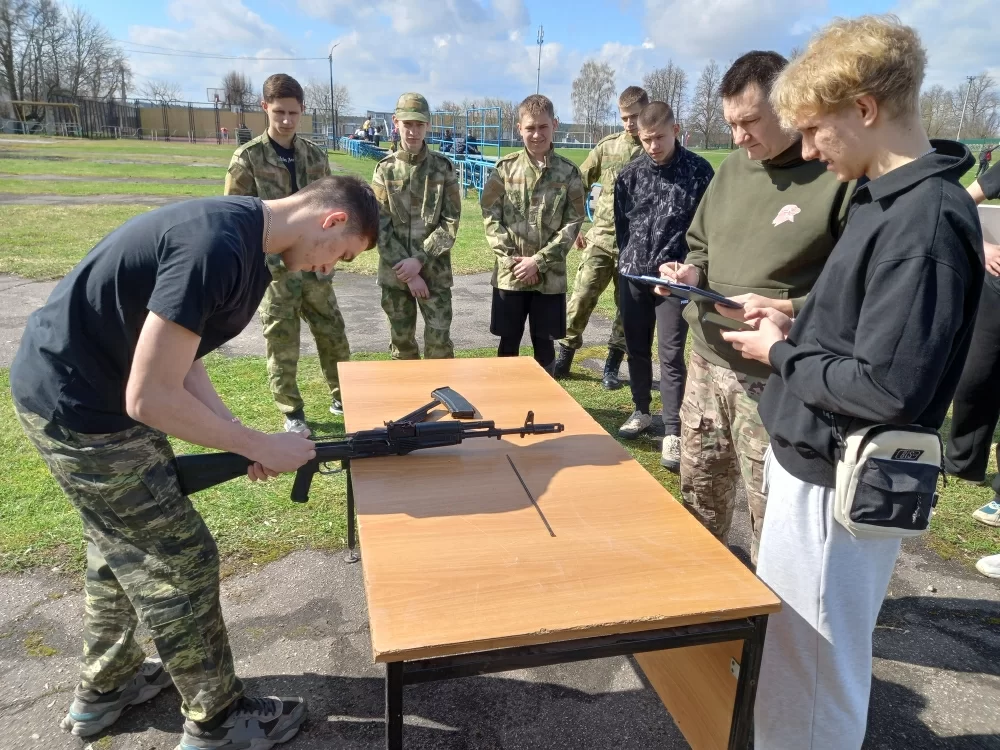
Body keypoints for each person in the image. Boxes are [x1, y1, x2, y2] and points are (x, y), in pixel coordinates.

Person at [10, 177, 379, 749]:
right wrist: (257, 444)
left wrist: (239, 438)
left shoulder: (247, 242)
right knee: (182, 562)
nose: (328, 269)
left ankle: (108, 685)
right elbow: (150, 397)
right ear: (331, 221)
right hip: (83, 409)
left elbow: (182, 357)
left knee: (119, 545)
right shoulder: (217, 247)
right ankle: (218, 720)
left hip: (90, 394)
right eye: (343, 255)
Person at [720, 16, 983, 748]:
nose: (806, 149)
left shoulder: (925, 223)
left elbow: (888, 389)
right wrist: (795, 317)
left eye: (814, 129)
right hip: (814, 462)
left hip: (837, 485)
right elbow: (864, 327)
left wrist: (780, 354)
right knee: (795, 661)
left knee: (814, 676)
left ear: (864, 108)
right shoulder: (884, 198)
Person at [658, 51, 853, 563]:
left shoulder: (836, 174)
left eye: (749, 122)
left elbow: (854, 288)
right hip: (706, 365)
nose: (738, 137)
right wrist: (690, 274)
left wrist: (790, 307)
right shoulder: (733, 170)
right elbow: (701, 244)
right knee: (699, 498)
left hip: (776, 379)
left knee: (776, 516)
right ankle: (706, 593)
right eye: (730, 124)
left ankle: (772, 607)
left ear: (787, 107)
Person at [225, 74, 352, 434]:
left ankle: (344, 395)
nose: (285, 120)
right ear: (264, 107)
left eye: (293, 113)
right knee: (282, 341)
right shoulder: (248, 159)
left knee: (333, 333)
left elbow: (332, 209)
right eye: (278, 112)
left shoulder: (314, 156)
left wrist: (329, 255)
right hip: (274, 272)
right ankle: (292, 410)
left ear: (302, 111)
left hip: (315, 269)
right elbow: (235, 219)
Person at [613, 101, 714, 469]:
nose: (653, 146)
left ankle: (673, 430)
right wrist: (630, 263)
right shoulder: (629, 175)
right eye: (646, 140)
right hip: (634, 276)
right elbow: (622, 227)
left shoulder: (700, 172)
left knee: (670, 355)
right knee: (636, 348)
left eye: (659, 137)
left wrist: (689, 269)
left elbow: (708, 230)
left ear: (676, 130)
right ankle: (641, 410)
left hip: (674, 280)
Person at [480, 94, 586, 372]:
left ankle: (546, 395)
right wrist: (511, 261)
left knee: (544, 343)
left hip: (549, 277)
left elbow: (573, 222)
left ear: (554, 125)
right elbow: (491, 216)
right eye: (530, 128)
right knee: (508, 342)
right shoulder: (504, 170)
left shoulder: (569, 173)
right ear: (519, 129)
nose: (537, 134)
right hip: (510, 275)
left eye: (543, 127)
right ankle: (506, 393)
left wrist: (538, 262)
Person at [553, 85, 647, 390]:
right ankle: (564, 357)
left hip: (636, 247)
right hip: (601, 239)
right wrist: (575, 226)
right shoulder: (608, 147)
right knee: (581, 298)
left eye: (635, 116)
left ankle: (612, 366)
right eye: (624, 117)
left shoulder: (654, 149)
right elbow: (577, 184)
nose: (630, 123)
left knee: (626, 310)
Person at [372, 93, 462, 360]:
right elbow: (379, 226)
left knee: (439, 345)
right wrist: (409, 273)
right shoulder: (384, 170)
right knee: (402, 347)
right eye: (407, 124)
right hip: (396, 275)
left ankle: (440, 388)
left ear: (428, 125)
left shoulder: (443, 168)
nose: (413, 131)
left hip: (435, 273)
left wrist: (419, 260)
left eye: (419, 124)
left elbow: (450, 221)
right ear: (395, 122)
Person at [943, 159, 1000, 578]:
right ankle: (963, 462)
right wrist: (983, 247)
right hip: (996, 290)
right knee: (975, 377)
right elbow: (959, 202)